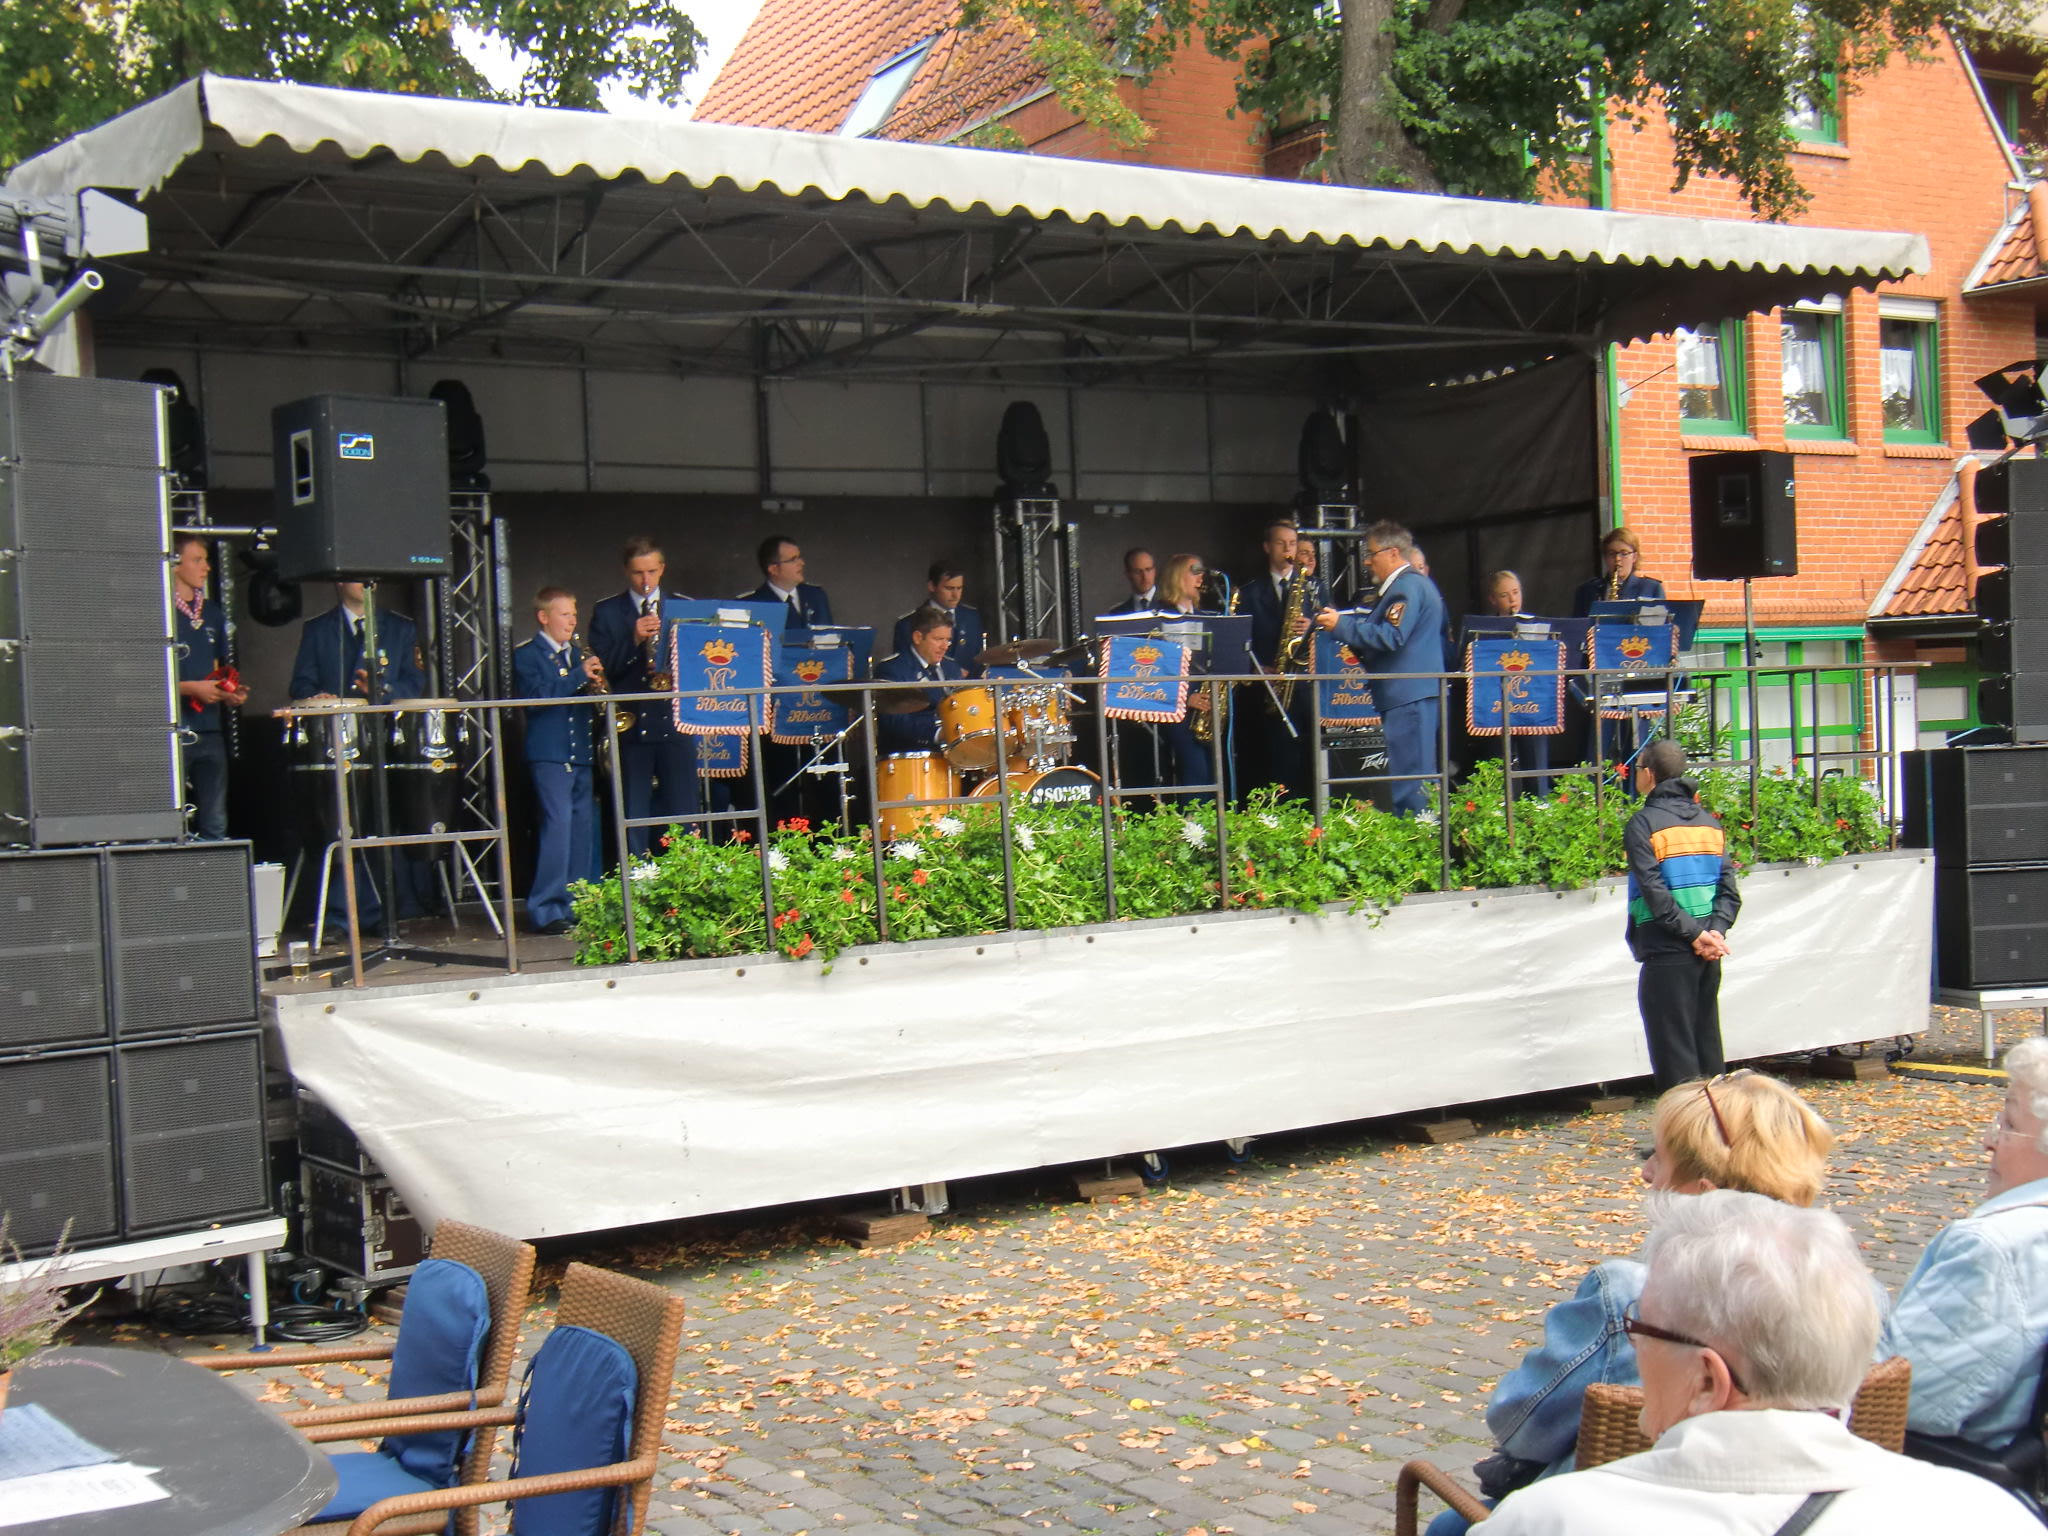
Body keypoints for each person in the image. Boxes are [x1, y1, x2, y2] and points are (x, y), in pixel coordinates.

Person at [1482, 1191, 2040, 1536]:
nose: (1635, 1346)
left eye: (1640, 1329)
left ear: (1708, 1380)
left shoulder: (1551, 1520)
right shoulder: (1987, 1517)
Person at [1427, 1072, 1836, 1535]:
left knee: (1449, 1527)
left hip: (1634, 1514)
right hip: (1804, 1509)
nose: (1645, 1173)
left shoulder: (1631, 1296)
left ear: (1703, 1195)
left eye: (1656, 1158)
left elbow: (1520, 1424)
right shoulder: (1853, 1295)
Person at [1883, 1036, 2048, 1462]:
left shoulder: (1996, 1249)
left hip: (1946, 1474)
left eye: (2008, 1124)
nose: (1989, 1141)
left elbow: (1900, 1401)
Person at [1626, 739, 1740, 1091]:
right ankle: (1718, 1121)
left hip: (1668, 950)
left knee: (1675, 1059)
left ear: (1648, 774)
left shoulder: (1643, 824)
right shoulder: (1709, 824)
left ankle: (1686, 1127)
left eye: (1637, 769)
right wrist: (1714, 932)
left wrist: (1695, 936)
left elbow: (1655, 894)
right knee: (1707, 1049)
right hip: (1707, 954)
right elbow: (1729, 892)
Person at [1313, 521, 1444, 817]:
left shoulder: (1406, 587)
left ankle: (1415, 838)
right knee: (1417, 776)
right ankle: (1423, 833)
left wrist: (1342, 625)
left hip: (1407, 694)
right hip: (1414, 693)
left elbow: (1391, 636)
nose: (1367, 561)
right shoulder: (1415, 585)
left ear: (1393, 553)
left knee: (1410, 781)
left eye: (1371, 553)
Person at [588, 535, 697, 858]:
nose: (645, 580)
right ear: (626, 571)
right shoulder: (607, 611)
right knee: (632, 813)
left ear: (662, 568)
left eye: (651, 571)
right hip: (632, 724)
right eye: (638, 573)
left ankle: (685, 876)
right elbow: (603, 670)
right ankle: (634, 877)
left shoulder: (684, 607)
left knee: (684, 811)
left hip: (676, 722)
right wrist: (633, 638)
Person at [513, 587, 601, 935]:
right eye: (564, 614)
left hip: (580, 752)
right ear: (543, 617)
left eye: (574, 614)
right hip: (550, 754)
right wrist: (579, 676)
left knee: (581, 830)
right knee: (558, 828)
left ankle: (578, 904)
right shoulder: (527, 655)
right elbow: (536, 698)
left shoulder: (576, 654)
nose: (572, 621)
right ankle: (546, 909)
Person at [1239, 518, 1325, 800]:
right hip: (1269, 689)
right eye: (1281, 543)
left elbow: (1333, 632)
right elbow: (1239, 641)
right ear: (1267, 547)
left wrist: (1313, 626)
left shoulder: (1315, 587)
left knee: (1311, 761)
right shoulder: (1249, 592)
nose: (1288, 549)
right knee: (1275, 763)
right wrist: (1256, 669)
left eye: (1292, 544)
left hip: (1306, 686)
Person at [170, 535, 247, 840]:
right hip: (172, 732)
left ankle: (212, 870)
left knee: (215, 819)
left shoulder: (212, 612)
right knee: (170, 818)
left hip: (210, 729)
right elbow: (149, 679)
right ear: (175, 564)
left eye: (206, 560)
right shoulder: (160, 612)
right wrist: (190, 688)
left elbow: (216, 668)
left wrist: (228, 693)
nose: (206, 567)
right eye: (197, 560)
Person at [1149, 553, 1220, 799]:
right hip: (1177, 711)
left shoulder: (1205, 616)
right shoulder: (1159, 617)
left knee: (1214, 772)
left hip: (1207, 708)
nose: (1201, 578)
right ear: (1177, 577)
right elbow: (1155, 669)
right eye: (1194, 571)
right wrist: (1187, 697)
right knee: (1195, 772)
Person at [288, 581, 427, 701]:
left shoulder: (401, 628)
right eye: (359, 576)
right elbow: (301, 684)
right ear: (341, 581)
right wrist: (318, 697)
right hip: (337, 721)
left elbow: (415, 683)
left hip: (385, 722)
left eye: (371, 577)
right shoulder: (317, 629)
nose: (367, 583)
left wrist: (380, 690)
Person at [1483, 569, 1552, 796]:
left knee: (1535, 765)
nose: (1512, 599)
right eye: (1504, 595)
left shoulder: (1537, 627)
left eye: (1515, 592)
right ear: (1493, 599)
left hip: (1530, 702)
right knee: (1497, 763)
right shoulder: (1484, 629)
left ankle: (1539, 805)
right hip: (1497, 705)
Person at [872, 607, 964, 757]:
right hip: (911, 758)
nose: (945, 647)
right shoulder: (892, 669)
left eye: (948, 640)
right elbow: (893, 721)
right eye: (938, 639)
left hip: (955, 755)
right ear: (918, 637)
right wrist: (938, 733)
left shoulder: (951, 667)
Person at [891, 562, 985, 672]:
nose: (955, 595)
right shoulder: (907, 624)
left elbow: (980, 657)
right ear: (931, 586)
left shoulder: (972, 617)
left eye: (959, 588)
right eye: (949, 588)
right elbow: (903, 666)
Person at [1572, 525, 1666, 617]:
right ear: (1605, 557)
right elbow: (1578, 625)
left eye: (1624, 553)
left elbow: (1661, 624)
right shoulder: (1586, 591)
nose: (1617, 559)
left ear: (1634, 557)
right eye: (1611, 553)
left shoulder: (1651, 589)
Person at [747, 533, 833, 628]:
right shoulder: (752, 604)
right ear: (774, 569)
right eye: (793, 559)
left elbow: (830, 634)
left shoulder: (816, 596)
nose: (802, 563)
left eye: (799, 557)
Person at [1108, 547, 1157, 614]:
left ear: (1154, 571)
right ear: (1128, 575)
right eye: (1138, 572)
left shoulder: (1169, 605)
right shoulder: (1118, 613)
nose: (1145, 576)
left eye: (1148, 570)